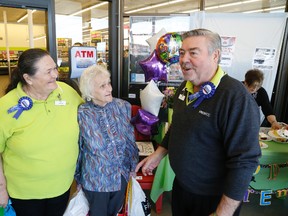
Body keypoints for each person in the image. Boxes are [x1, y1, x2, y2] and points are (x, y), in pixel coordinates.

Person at [136, 28, 261, 216]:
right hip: (182, 188)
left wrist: (222, 213)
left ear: (215, 55)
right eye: (181, 53)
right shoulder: (184, 90)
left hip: (214, 199)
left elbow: (245, 161)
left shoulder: (235, 97)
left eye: (193, 53)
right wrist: (159, 154)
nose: (184, 59)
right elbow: (177, 127)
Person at [0, 48, 83, 216]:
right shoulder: (6, 106)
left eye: (54, 68)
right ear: (28, 78)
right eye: (48, 72)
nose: (55, 75)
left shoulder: (67, 92)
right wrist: (1, 189)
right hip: (25, 194)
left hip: (62, 187)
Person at [75, 65, 139, 216]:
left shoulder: (123, 106)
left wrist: (132, 167)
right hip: (95, 180)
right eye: (102, 86)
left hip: (120, 176)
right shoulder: (82, 113)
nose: (109, 88)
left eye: (108, 83)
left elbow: (130, 140)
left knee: (115, 212)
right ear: (89, 91)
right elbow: (79, 148)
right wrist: (78, 178)